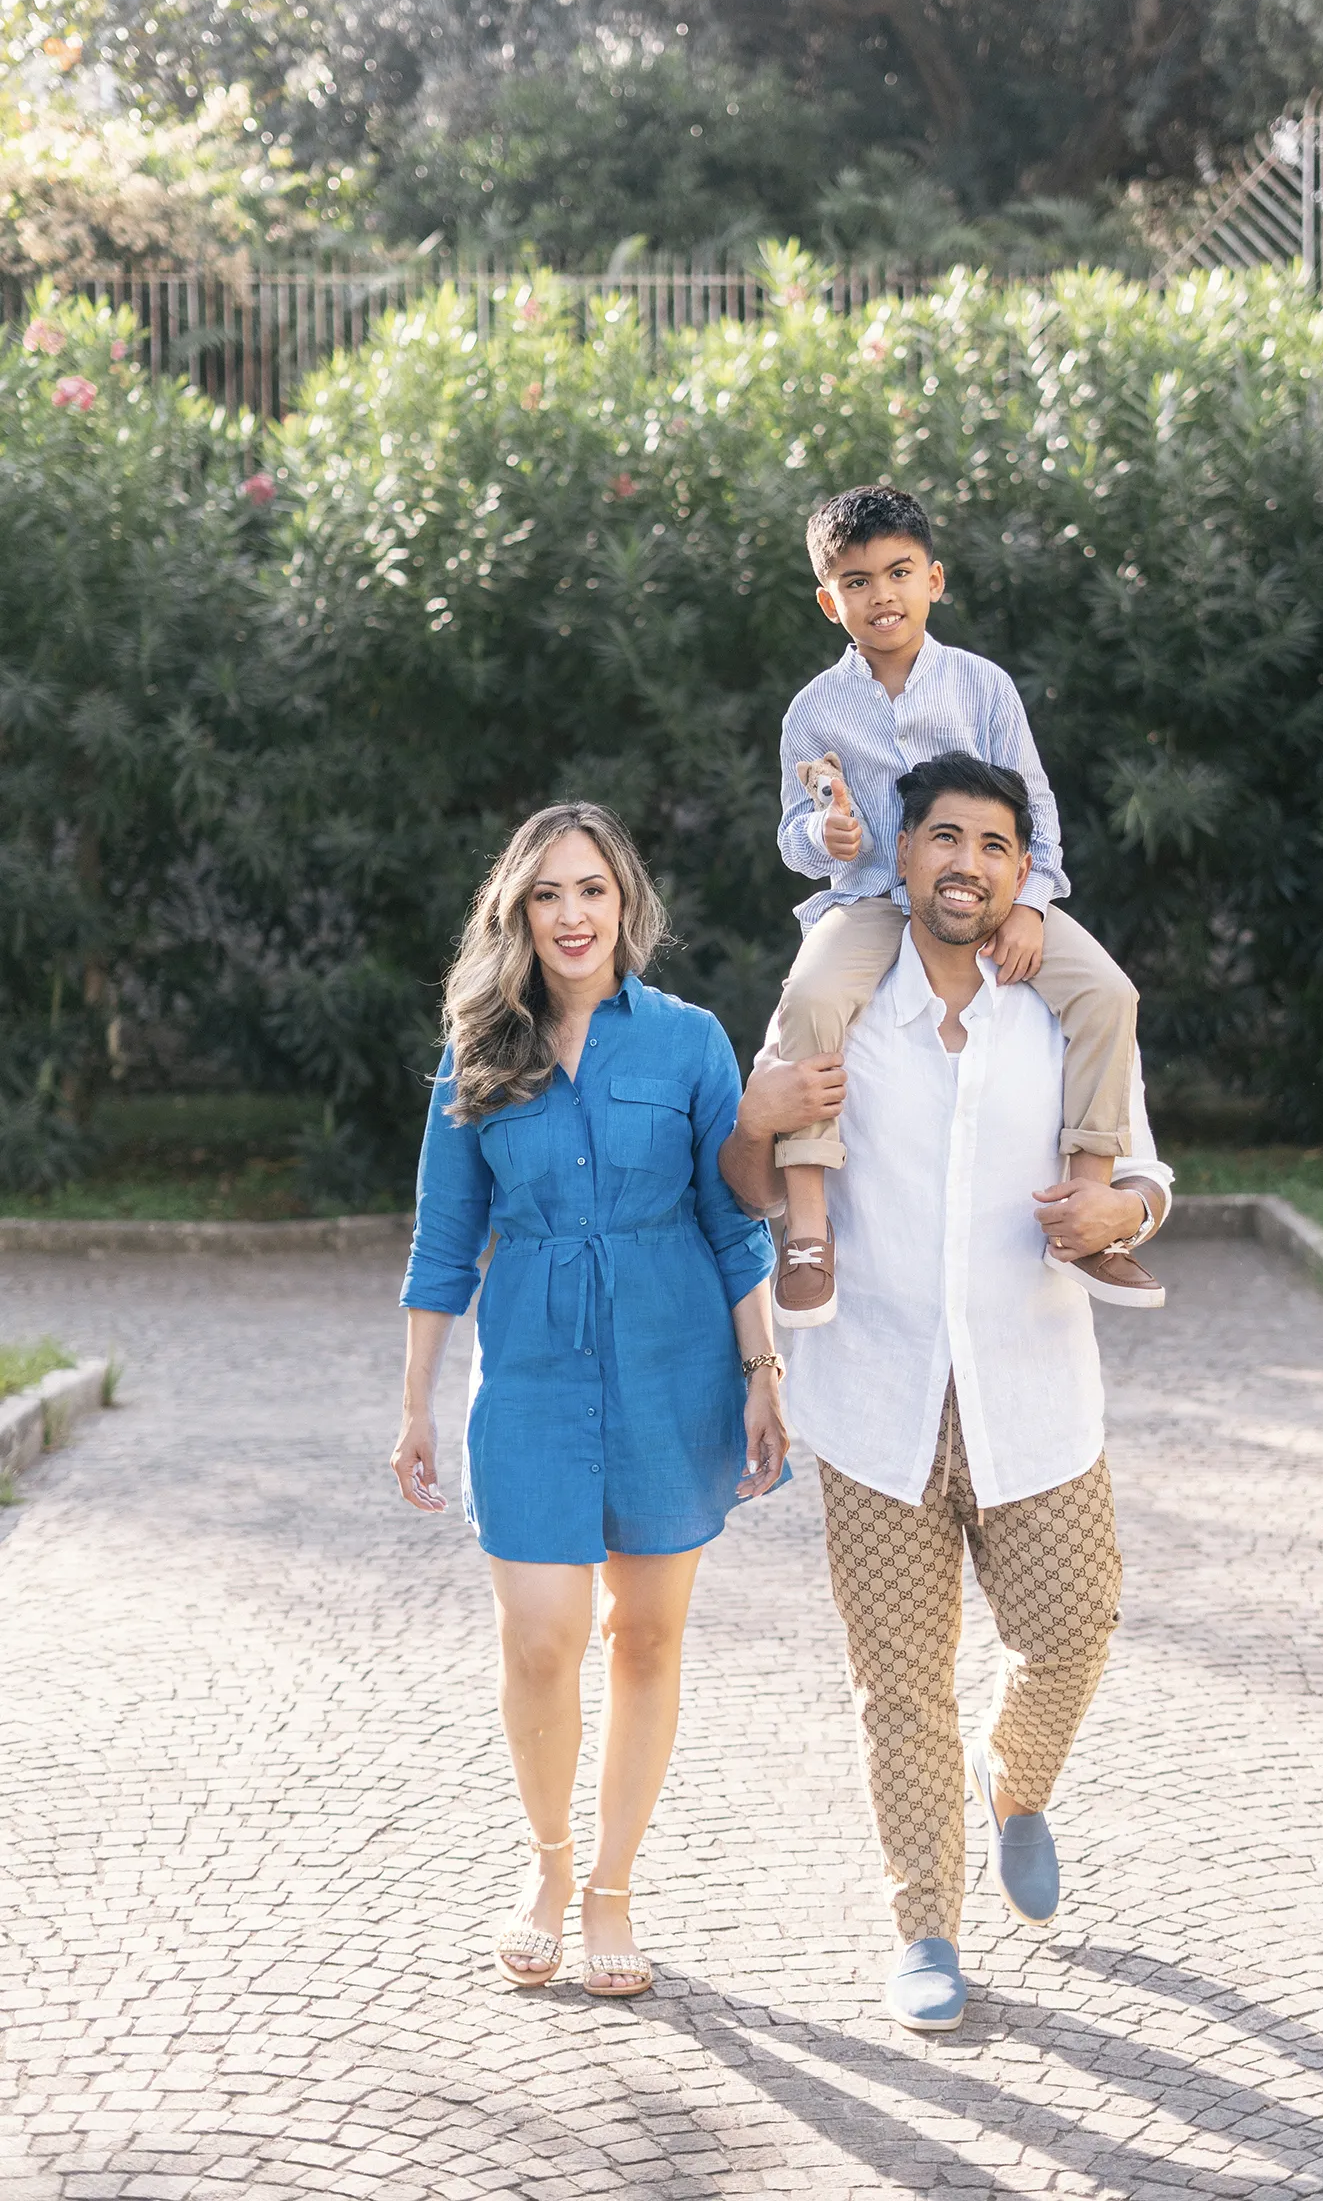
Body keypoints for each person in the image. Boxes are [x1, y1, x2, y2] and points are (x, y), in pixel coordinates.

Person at [721, 753, 1172, 2034]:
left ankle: (1013, 1780)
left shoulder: (1062, 1011)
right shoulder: (841, 1001)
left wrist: (1120, 1204)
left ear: (1020, 872)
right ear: (901, 859)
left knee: (1076, 1627)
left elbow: (1145, 1169)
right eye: (941, 840)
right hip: (872, 1398)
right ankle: (925, 1925)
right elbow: (749, 1179)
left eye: (991, 845)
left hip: (1035, 1390)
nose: (964, 863)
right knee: (900, 1684)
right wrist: (755, 1116)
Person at [391, 802, 787, 2000]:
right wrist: (413, 1404)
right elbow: (444, 1239)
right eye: (547, 895)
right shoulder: (478, 1048)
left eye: (591, 891)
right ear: (517, 912)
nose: (571, 915)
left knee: (649, 1635)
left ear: (627, 906)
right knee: (543, 1635)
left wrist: (764, 1374)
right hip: (531, 1378)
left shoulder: (688, 1043)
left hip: (677, 1368)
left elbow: (733, 1222)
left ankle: (613, 1886)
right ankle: (548, 1865)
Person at [770, 483, 1160, 1328]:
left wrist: (1035, 902)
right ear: (828, 600)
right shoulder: (813, 711)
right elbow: (793, 832)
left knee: (1108, 994)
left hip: (989, 900)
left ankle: (1089, 1216)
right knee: (809, 997)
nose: (882, 595)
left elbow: (1036, 806)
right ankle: (806, 1229)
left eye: (899, 572)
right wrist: (823, 838)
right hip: (872, 901)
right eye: (858, 580)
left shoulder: (982, 687)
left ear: (935, 580)